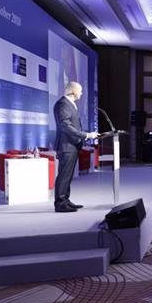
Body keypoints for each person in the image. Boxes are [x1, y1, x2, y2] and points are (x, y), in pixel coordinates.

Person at [53, 81, 97, 213]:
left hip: (72, 145)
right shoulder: (63, 104)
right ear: (73, 91)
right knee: (64, 175)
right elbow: (65, 126)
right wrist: (86, 135)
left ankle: (65, 200)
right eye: (80, 91)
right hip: (66, 146)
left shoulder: (70, 104)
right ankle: (60, 203)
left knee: (68, 175)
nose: (82, 93)